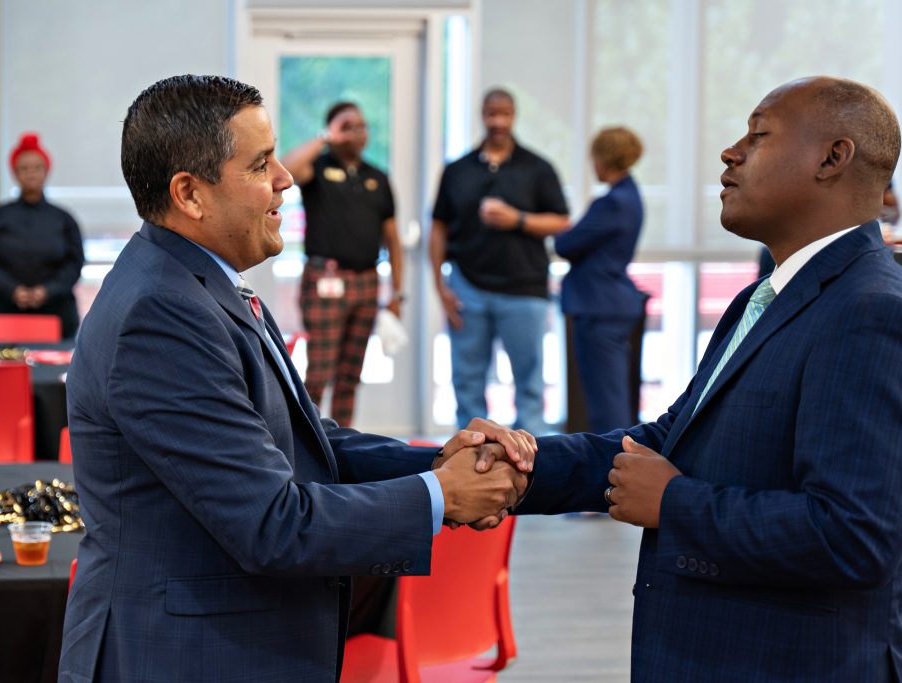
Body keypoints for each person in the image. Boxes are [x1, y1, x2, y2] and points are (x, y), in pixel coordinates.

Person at [58, 75, 534, 683]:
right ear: (190, 194)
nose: (285, 178)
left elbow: (309, 441)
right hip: (184, 655)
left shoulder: (195, 281)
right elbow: (273, 524)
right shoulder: (161, 311)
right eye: (261, 165)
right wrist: (443, 495)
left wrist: (440, 463)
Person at [510, 77, 902, 681]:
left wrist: (675, 503)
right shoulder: (762, 299)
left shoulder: (872, 311)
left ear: (832, 158)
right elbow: (667, 443)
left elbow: (854, 536)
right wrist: (517, 465)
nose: (730, 151)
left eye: (759, 135)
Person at [430, 88, 570, 436]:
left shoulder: (537, 168)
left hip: (524, 290)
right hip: (468, 288)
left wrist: (517, 219)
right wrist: (440, 286)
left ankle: (533, 460)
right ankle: (472, 452)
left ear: (514, 115)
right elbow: (438, 229)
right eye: (492, 113)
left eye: (504, 113)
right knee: (466, 380)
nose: (498, 121)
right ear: (482, 115)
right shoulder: (457, 170)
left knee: (529, 382)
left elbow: (561, 220)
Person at [282, 102, 403, 427]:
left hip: (367, 280)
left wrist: (396, 294)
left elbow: (392, 238)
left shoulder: (377, 177)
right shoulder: (317, 168)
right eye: (347, 125)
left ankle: (343, 445)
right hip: (326, 279)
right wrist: (325, 137)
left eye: (361, 125)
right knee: (319, 373)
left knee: (351, 375)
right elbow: (286, 169)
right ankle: (305, 441)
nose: (357, 132)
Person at [555, 126, 646, 433]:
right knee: (610, 396)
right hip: (610, 305)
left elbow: (565, 245)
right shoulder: (630, 196)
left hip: (599, 308)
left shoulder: (612, 203)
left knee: (607, 403)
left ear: (604, 158)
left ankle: (613, 468)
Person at [0, 133, 84, 339]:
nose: (31, 173)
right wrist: (13, 290)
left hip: (55, 309)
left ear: (46, 171)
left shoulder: (64, 219)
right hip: (1, 306)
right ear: (15, 174)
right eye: (24, 168)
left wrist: (47, 290)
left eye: (36, 167)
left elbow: (75, 263)